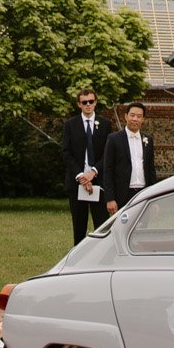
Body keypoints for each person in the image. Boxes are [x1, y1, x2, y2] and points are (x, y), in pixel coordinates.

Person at [61, 86, 110, 245]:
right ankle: (78, 262)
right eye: (84, 102)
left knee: (102, 226)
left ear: (96, 102)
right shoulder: (70, 124)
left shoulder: (105, 124)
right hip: (77, 183)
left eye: (91, 101)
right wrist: (81, 176)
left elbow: (107, 153)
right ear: (79, 105)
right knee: (79, 227)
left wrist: (94, 172)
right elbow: (66, 152)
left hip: (99, 181)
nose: (88, 105)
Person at [102, 100, 158, 214]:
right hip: (122, 194)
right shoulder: (114, 139)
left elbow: (151, 169)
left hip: (143, 192)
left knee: (141, 228)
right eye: (132, 115)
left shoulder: (148, 140)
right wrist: (110, 198)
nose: (135, 119)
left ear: (143, 119)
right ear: (126, 116)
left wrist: (154, 197)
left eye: (139, 116)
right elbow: (108, 169)